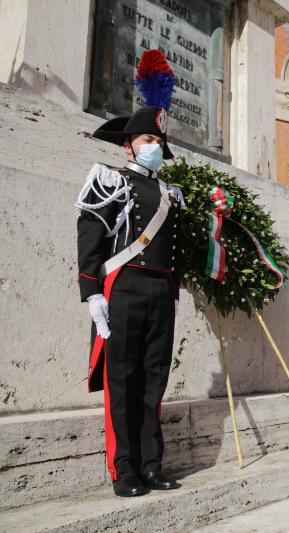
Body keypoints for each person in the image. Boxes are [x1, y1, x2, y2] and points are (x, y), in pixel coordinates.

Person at [76, 106, 183, 497]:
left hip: (159, 291)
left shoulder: (171, 194)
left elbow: (174, 252)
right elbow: (91, 237)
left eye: (158, 142)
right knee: (121, 379)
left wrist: (173, 294)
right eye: (147, 140)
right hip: (123, 288)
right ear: (128, 147)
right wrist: (91, 292)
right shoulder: (110, 181)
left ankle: (151, 465)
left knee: (153, 380)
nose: (154, 147)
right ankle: (124, 469)